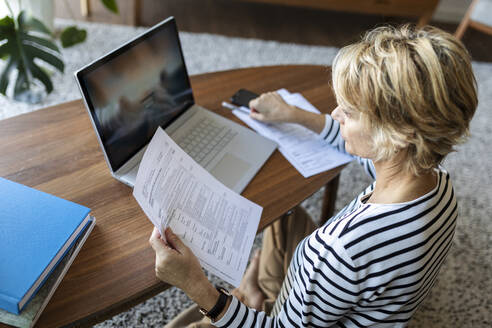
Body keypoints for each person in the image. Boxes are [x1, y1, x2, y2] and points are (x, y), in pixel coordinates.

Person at [149, 24, 478, 327]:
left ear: (399, 133)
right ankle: (255, 290)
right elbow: (361, 147)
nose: (335, 114)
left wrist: (196, 285)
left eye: (348, 112)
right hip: (353, 297)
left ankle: (249, 298)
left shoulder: (336, 251)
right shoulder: (438, 184)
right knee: (284, 218)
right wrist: (293, 115)